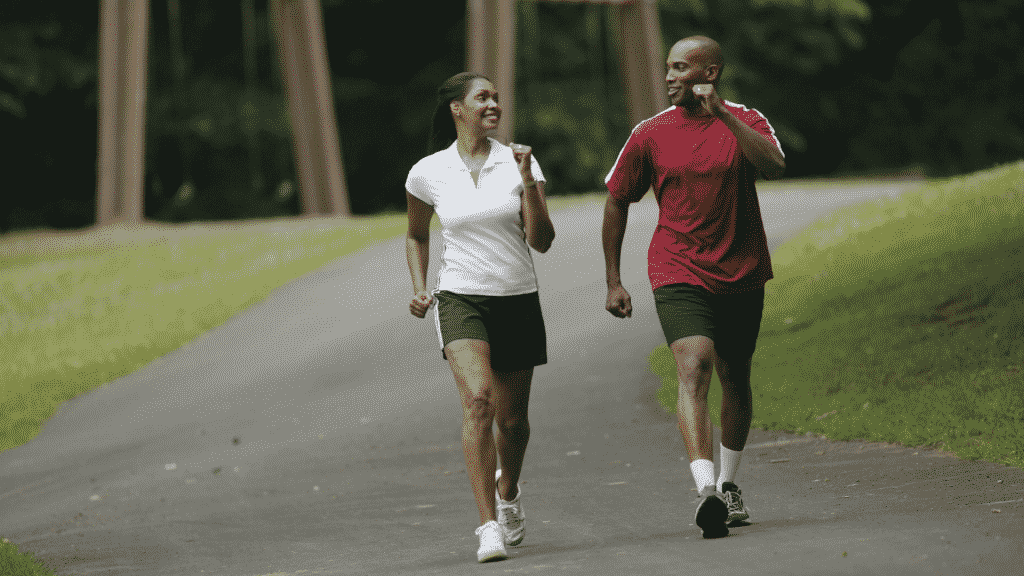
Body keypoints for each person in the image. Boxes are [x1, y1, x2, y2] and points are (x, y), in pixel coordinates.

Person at [601, 36, 785, 539]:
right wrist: (614, 279)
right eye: (667, 68)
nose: (669, 78)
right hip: (677, 264)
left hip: (742, 268)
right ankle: (705, 489)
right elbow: (617, 199)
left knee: (736, 375)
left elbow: (773, 166)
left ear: (711, 71)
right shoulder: (650, 133)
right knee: (695, 362)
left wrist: (722, 115)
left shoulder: (747, 120)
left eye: (681, 68)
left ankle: (729, 484)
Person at [405, 72, 556, 562]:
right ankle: (487, 525)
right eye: (482, 97)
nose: (493, 104)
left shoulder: (518, 164)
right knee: (478, 400)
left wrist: (529, 176)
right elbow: (417, 235)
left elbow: (542, 240)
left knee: (514, 424)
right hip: (460, 298)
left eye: (496, 97)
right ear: (456, 107)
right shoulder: (427, 171)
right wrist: (419, 287)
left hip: (516, 298)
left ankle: (508, 491)